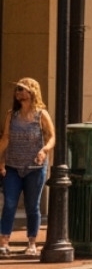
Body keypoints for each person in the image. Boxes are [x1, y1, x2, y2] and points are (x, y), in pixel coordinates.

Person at [0, 77, 56, 258]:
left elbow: (51, 137)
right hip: (13, 166)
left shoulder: (41, 114)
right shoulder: (12, 115)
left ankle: (32, 243)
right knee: (9, 203)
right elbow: (6, 138)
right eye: (17, 90)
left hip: (35, 167)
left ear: (32, 92)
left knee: (32, 205)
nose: (18, 93)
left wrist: (44, 150)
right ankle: (4, 242)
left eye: (22, 89)